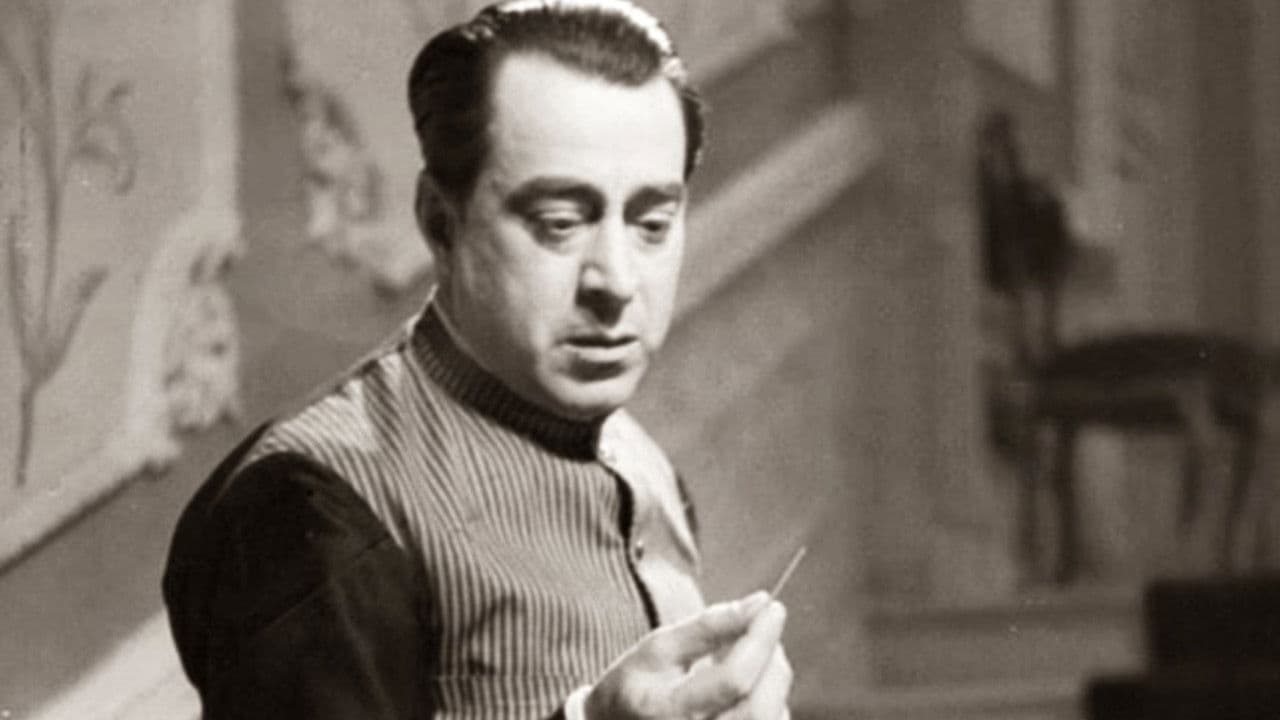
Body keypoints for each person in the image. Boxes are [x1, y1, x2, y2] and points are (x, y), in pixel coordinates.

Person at [162, 1, 792, 718]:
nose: (617, 281)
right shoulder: (310, 510)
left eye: (652, 223)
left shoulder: (629, 450)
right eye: (559, 224)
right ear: (441, 223)